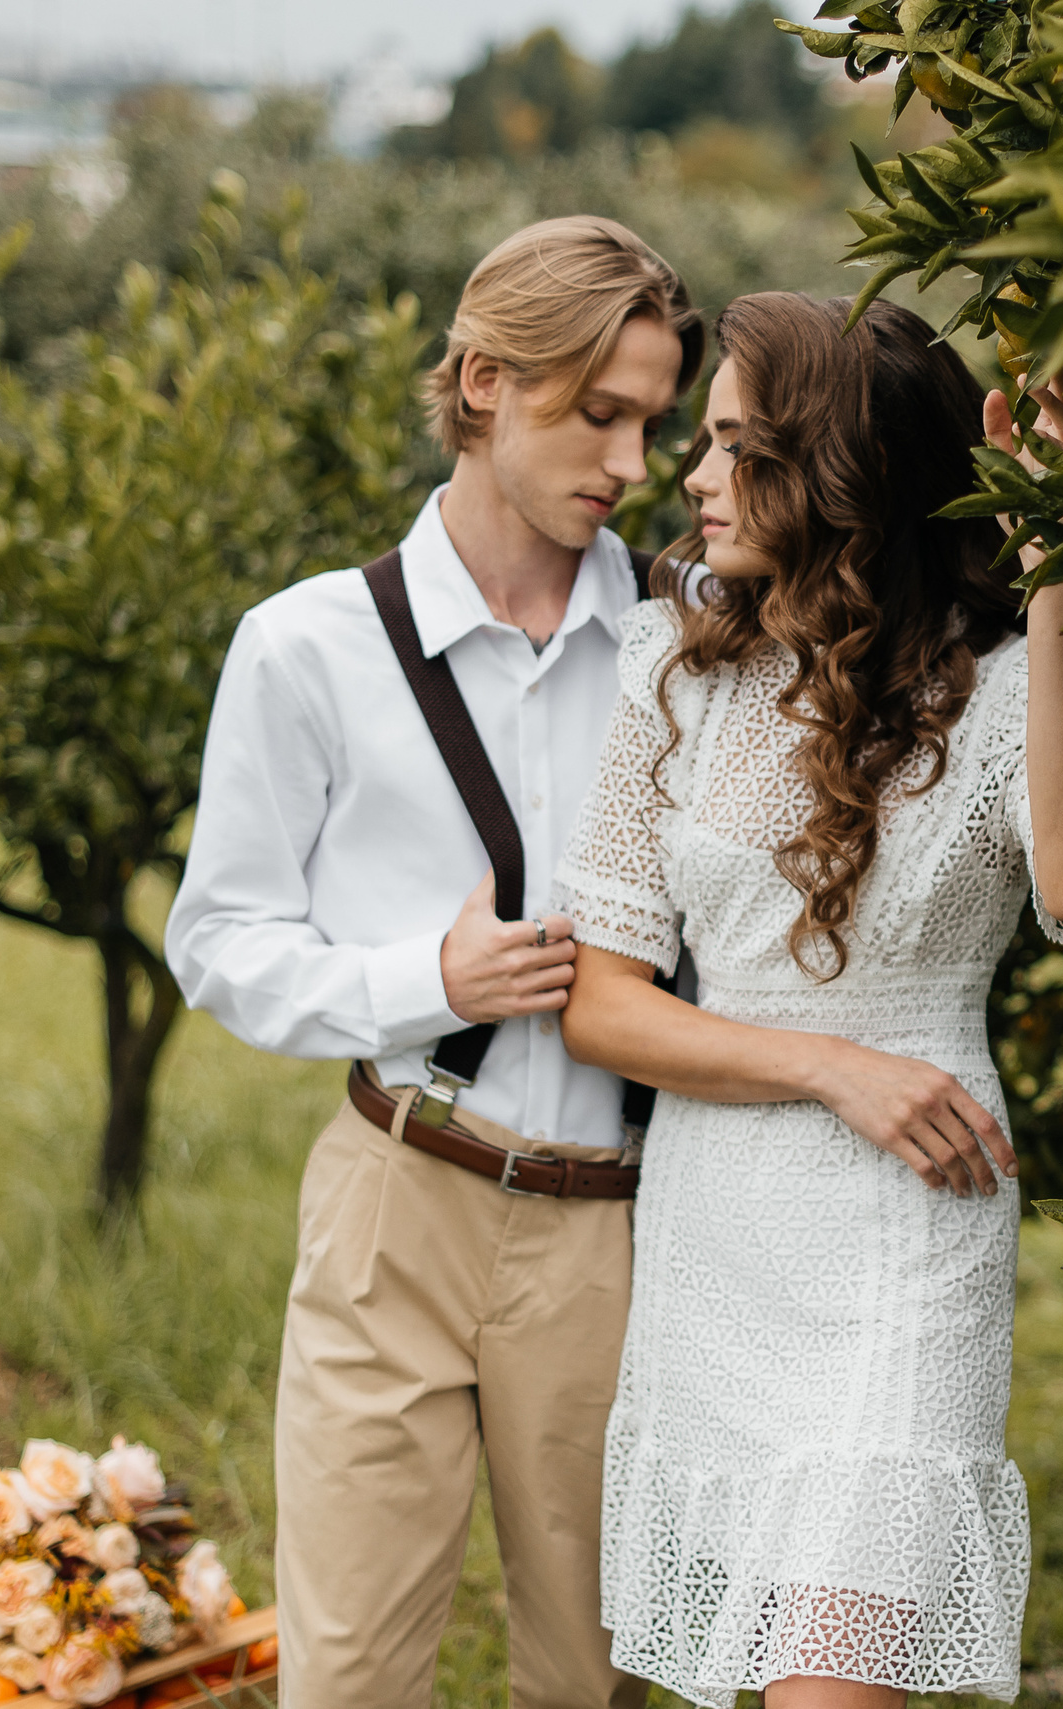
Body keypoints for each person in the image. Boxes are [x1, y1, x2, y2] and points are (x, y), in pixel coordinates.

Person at [554, 291, 1063, 1709]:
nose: (692, 477)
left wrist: (1060, 575)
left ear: (843, 470)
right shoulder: (678, 675)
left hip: (903, 1237)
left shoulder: (1032, 673)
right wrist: (830, 1067)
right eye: (701, 442)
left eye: (737, 445)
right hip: (722, 1224)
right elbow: (606, 1007)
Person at [162, 215, 700, 1709]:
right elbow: (217, 940)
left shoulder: (687, 636)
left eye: (652, 419)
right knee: (348, 1674)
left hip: (619, 1228)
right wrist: (426, 986)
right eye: (598, 413)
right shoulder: (306, 647)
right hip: (395, 1194)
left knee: (591, 1675)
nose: (633, 461)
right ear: (482, 382)